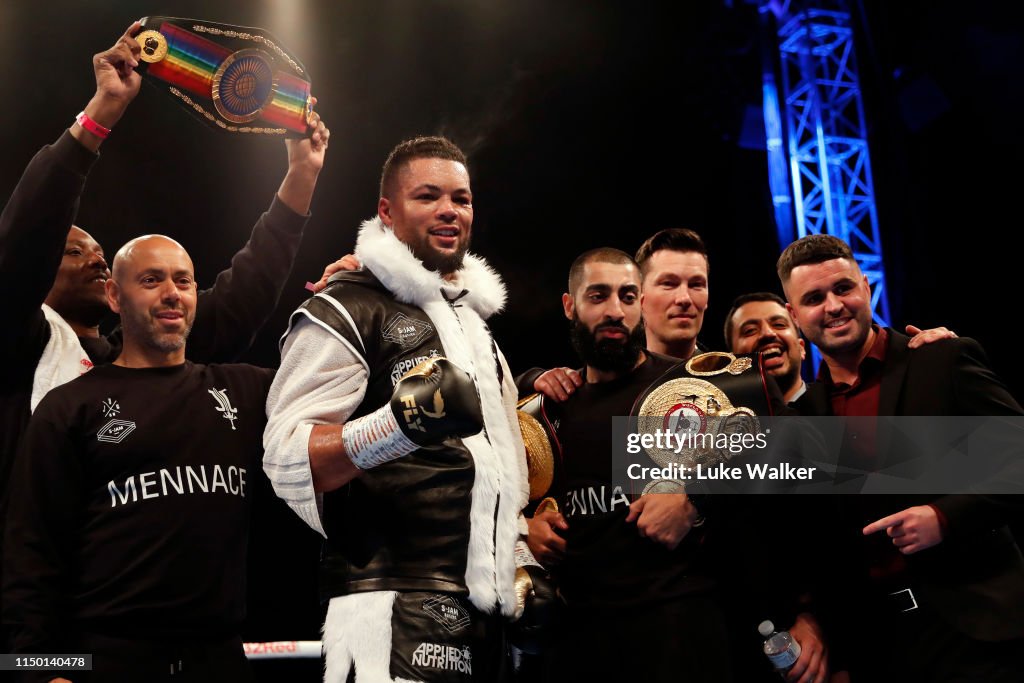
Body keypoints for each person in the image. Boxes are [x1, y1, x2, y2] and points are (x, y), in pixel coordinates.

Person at [263, 136, 533, 682]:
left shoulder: (477, 332)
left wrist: (521, 564)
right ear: (386, 211)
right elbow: (286, 456)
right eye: (428, 196)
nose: (449, 210)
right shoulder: (344, 306)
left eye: (462, 198)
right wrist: (399, 425)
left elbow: (501, 475)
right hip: (389, 602)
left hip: (486, 614)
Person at [4, 235, 275, 681]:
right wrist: (38, 670)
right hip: (102, 660)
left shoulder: (244, 392)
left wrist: (356, 291)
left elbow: (333, 382)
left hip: (219, 658)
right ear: (114, 295)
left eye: (183, 281)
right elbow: (29, 552)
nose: (172, 292)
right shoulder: (69, 407)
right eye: (151, 280)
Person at [777, 233, 1024, 681]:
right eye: (814, 298)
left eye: (843, 289)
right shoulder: (802, 417)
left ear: (867, 288)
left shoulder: (940, 359)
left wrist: (944, 516)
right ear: (794, 315)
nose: (833, 306)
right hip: (876, 647)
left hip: (975, 632)